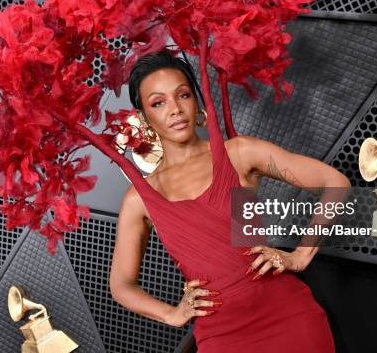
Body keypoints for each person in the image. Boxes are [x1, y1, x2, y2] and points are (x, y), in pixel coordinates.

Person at [109, 50, 350, 352]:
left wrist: (300, 256)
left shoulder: (239, 153)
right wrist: (171, 314)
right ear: (144, 118)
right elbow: (121, 285)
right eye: (158, 102)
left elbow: (335, 183)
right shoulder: (140, 199)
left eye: (182, 95)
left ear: (195, 102)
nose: (174, 109)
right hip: (222, 335)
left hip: (287, 316)